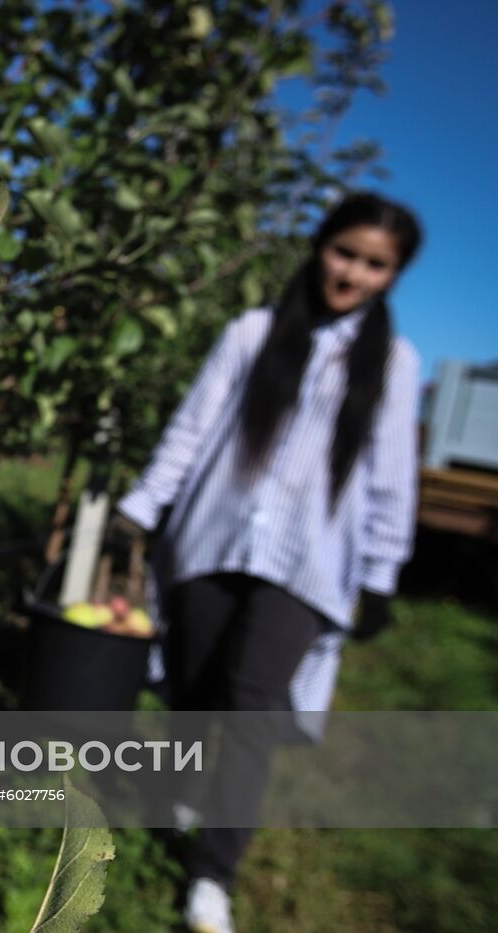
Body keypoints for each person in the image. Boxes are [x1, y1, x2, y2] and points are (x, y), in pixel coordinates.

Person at [114, 192, 424, 933]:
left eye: (375, 265)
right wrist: (144, 504)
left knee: (252, 709)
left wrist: (381, 570)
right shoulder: (253, 332)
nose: (352, 273)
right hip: (211, 540)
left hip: (305, 563)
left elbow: (391, 473)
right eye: (345, 252)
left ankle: (212, 874)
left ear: (393, 275)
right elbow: (194, 426)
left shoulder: (395, 363)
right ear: (319, 246)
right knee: (193, 688)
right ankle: (178, 798)